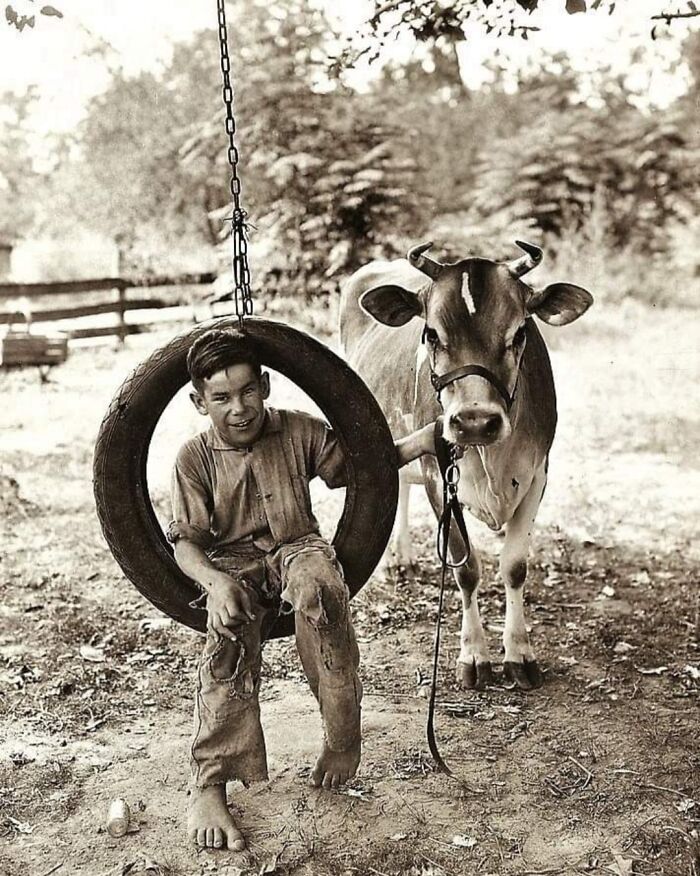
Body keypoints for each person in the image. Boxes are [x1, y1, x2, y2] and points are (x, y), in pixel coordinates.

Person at [168, 328, 436, 852]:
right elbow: (185, 545)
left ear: (266, 385)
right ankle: (210, 784)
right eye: (220, 398)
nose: (239, 408)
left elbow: (360, 467)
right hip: (233, 563)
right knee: (227, 642)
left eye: (248, 391)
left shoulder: (297, 431)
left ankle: (341, 738)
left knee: (323, 594)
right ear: (200, 402)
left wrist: (421, 442)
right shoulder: (194, 458)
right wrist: (217, 582)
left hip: (297, 547)